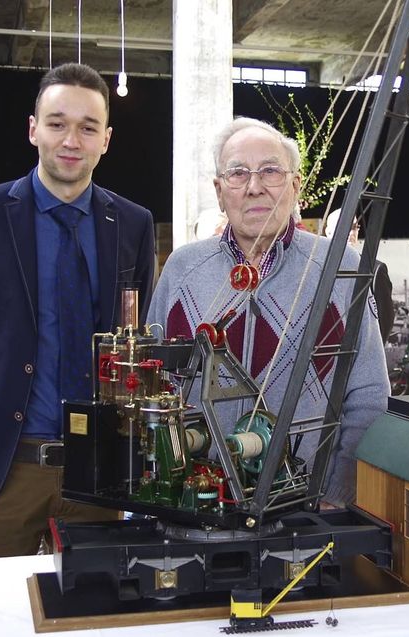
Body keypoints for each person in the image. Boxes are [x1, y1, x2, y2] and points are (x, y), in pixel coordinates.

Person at [0, 63, 155, 570]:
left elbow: (133, 339)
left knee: (94, 614)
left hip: (98, 472)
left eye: (88, 127)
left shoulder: (133, 224)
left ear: (106, 140)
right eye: (57, 123)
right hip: (6, 467)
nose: (71, 139)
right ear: (33, 129)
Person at [146, 117, 390, 507]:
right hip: (197, 501)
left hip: (306, 505)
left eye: (271, 171)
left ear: (294, 186)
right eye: (238, 173)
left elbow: (369, 395)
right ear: (220, 190)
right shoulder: (182, 270)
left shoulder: (341, 268)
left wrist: (339, 493)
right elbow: (152, 383)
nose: (254, 186)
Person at [323, 208, 394, 344]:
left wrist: (368, 354)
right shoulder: (319, 268)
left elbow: (385, 320)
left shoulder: (375, 270)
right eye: (344, 225)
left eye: (354, 227)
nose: (350, 232)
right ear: (329, 232)